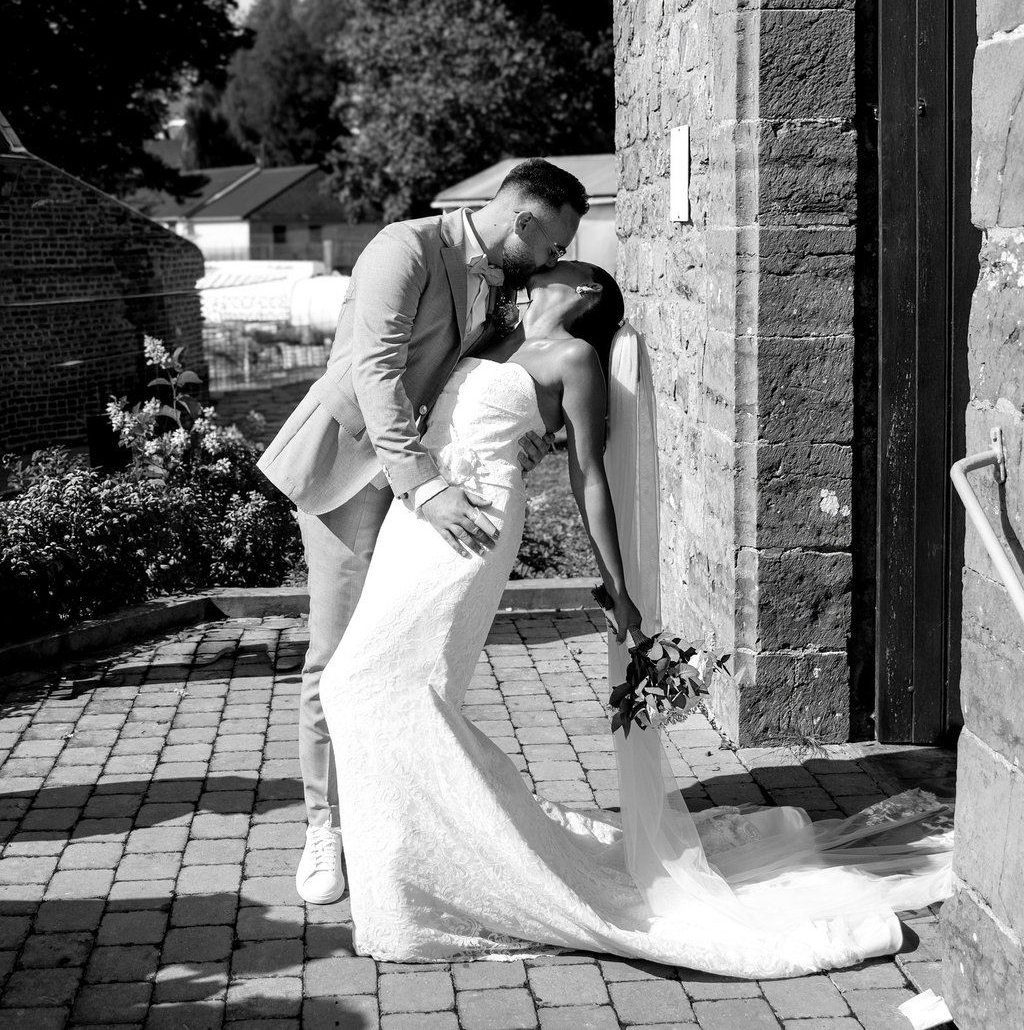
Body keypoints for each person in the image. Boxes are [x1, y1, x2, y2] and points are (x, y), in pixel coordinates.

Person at [318, 261, 954, 975]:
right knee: (373, 690)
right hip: (425, 509)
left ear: (583, 291)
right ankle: (426, 867)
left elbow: (588, 473)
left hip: (474, 522)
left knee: (367, 686)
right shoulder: (492, 333)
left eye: (546, 271)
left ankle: (452, 869)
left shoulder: (575, 358)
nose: (527, 280)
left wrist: (617, 586)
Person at [257, 159, 590, 903]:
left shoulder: (504, 278)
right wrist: (427, 487)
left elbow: (480, 374)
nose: (555, 261)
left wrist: (522, 432)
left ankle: (397, 810)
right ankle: (324, 827)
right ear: (524, 221)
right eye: (554, 244)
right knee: (336, 653)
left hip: (432, 472)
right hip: (352, 470)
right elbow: (376, 373)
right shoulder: (400, 249)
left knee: (404, 649)